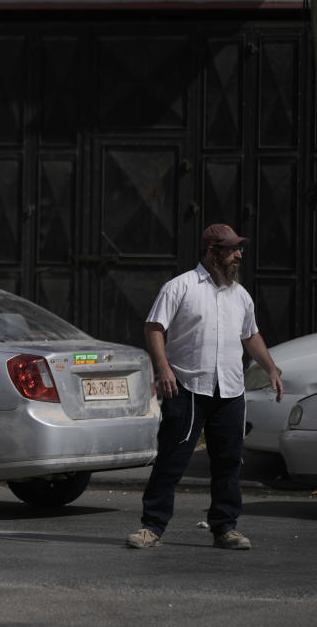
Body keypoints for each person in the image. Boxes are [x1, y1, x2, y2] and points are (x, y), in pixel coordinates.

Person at [126, 224, 283, 550]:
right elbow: (154, 327)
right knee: (172, 460)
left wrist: (270, 368)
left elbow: (250, 335)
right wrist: (163, 369)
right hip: (187, 388)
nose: (238, 255)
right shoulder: (180, 287)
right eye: (232, 250)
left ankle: (225, 528)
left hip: (230, 391)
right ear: (213, 253)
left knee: (228, 461)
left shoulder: (240, 295)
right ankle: (152, 527)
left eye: (239, 249)